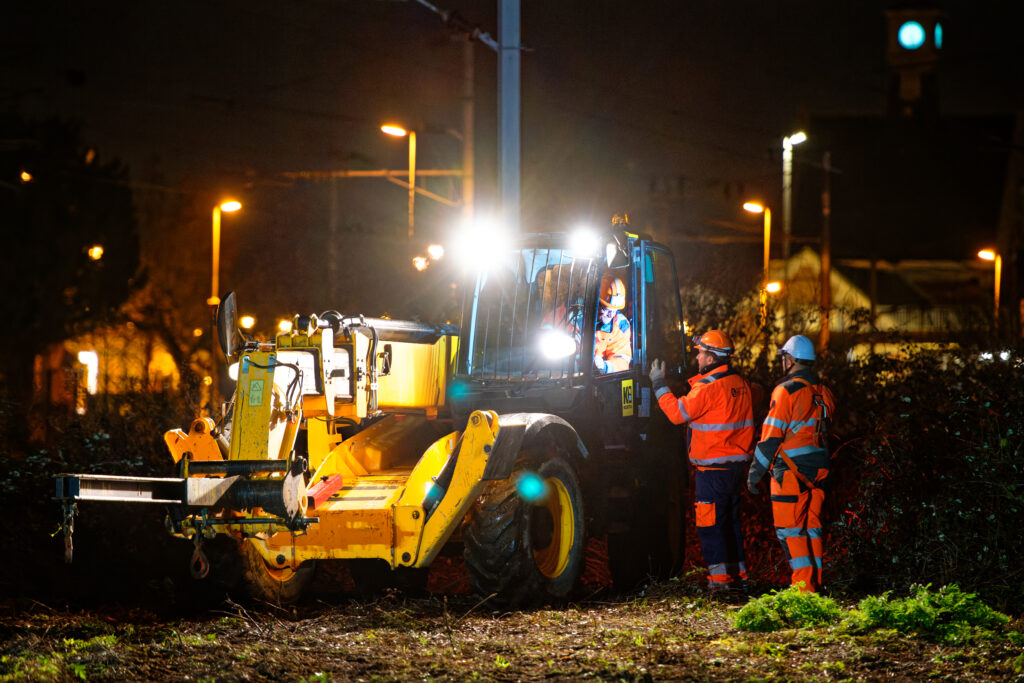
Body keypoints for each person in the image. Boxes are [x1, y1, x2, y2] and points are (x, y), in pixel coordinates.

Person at [649, 330, 755, 593]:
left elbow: (676, 414)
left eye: (700, 352)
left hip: (711, 472)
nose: (697, 357)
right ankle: (739, 580)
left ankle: (719, 585)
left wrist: (658, 384)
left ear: (711, 358)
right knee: (730, 525)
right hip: (735, 470)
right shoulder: (741, 384)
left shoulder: (707, 389)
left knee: (710, 528)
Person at [747, 334, 836, 593]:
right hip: (821, 471)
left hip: (791, 473)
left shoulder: (786, 391)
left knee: (791, 532)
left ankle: (803, 591)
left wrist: (754, 476)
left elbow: (770, 438)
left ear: (790, 360)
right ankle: (817, 585)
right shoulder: (824, 391)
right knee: (813, 530)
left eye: (784, 358)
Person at [593, 275, 632, 373]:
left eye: (615, 310)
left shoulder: (621, 326)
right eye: (607, 309)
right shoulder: (575, 316)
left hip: (599, 381)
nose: (611, 315)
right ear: (597, 303)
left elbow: (622, 359)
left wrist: (605, 366)